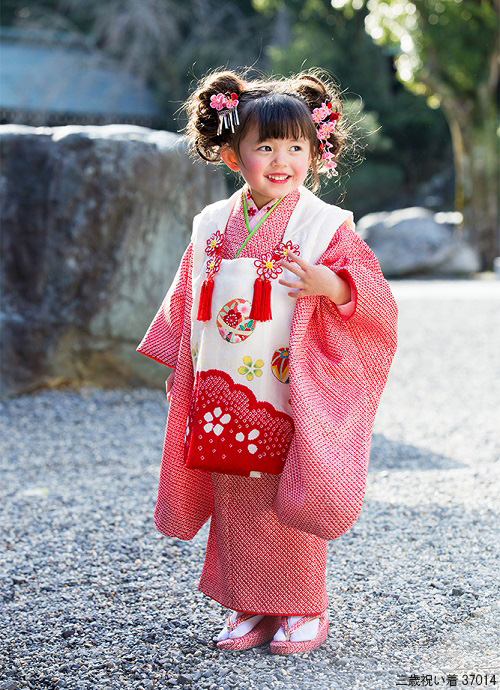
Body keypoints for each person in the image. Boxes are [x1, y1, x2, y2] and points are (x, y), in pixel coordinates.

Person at [136, 68, 398, 655]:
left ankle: (305, 607)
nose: (282, 160)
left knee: (290, 492)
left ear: (316, 151)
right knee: (233, 489)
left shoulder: (324, 225)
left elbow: (374, 297)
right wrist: (181, 360)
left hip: (290, 384)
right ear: (233, 154)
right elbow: (188, 292)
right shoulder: (212, 223)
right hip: (224, 383)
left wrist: (332, 284)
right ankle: (247, 605)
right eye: (265, 146)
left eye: (296, 146)